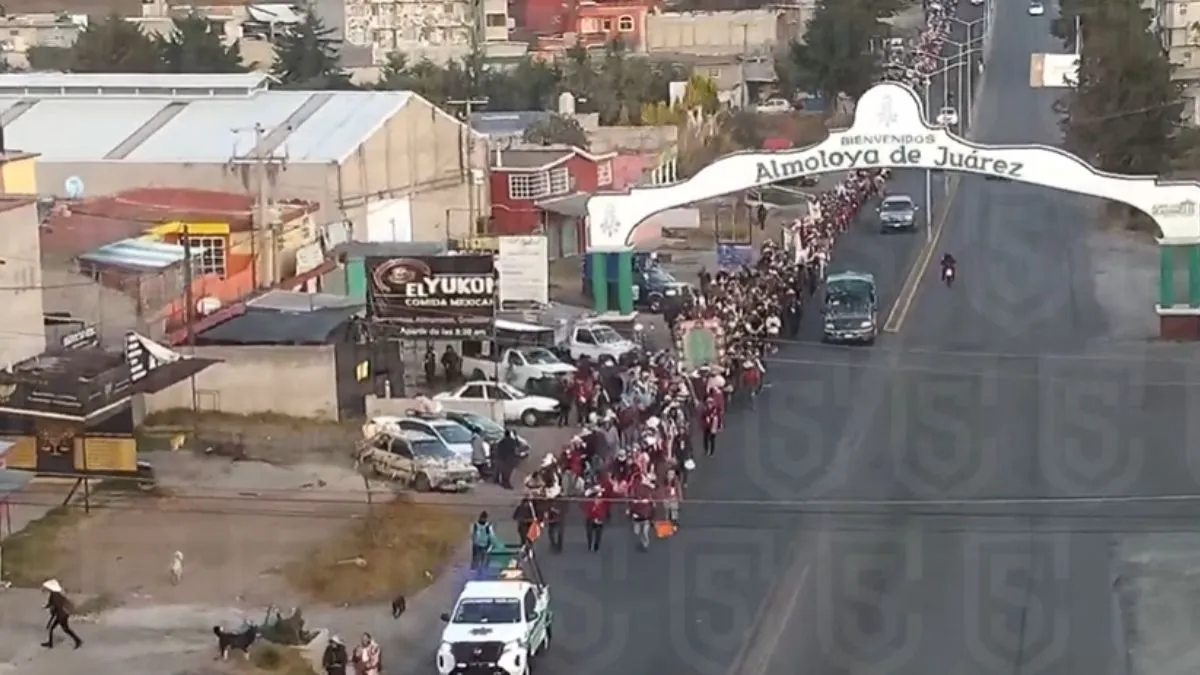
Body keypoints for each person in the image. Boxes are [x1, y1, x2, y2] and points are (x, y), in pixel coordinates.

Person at [41, 579, 81, 649]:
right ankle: (50, 643)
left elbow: (55, 604)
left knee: (65, 629)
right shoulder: (56, 594)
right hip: (63, 614)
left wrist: (49, 607)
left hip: (61, 615)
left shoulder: (54, 595)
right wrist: (47, 606)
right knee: (56, 628)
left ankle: (78, 641)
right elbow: (52, 603)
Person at [583, 486, 608, 552]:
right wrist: (593, 518)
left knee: (598, 532)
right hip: (591, 519)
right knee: (589, 531)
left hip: (599, 520)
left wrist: (599, 518)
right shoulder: (589, 501)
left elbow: (603, 511)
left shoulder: (602, 501)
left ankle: (596, 545)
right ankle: (590, 544)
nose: (600, 494)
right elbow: (588, 511)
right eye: (599, 492)